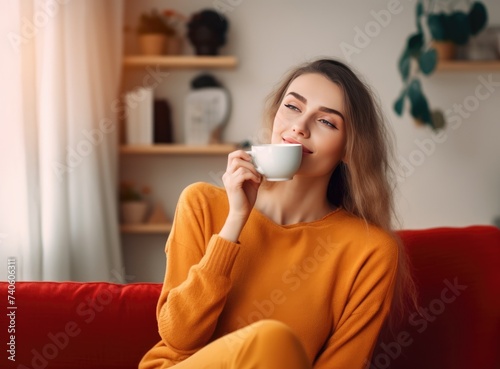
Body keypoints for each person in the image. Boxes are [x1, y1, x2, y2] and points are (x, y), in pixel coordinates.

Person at [139, 58, 417, 369]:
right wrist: (234, 222)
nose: (299, 126)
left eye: (326, 122)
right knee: (273, 340)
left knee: (274, 343)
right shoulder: (201, 203)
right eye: (293, 107)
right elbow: (179, 337)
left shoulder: (371, 251)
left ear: (351, 149)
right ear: (275, 115)